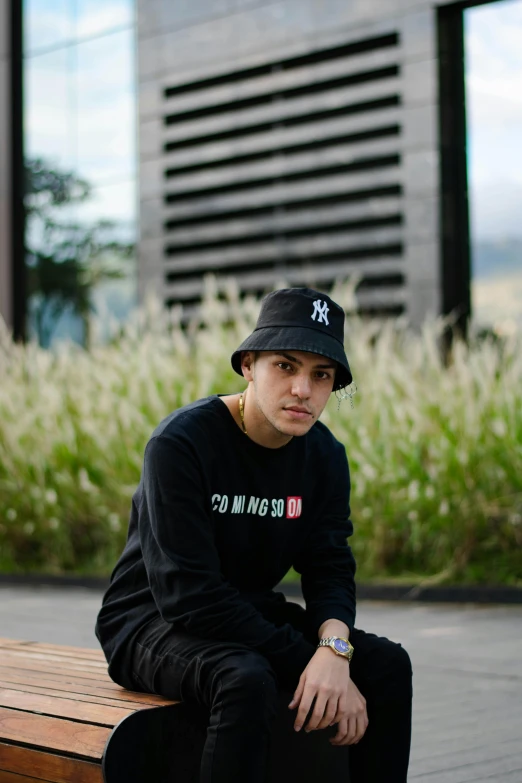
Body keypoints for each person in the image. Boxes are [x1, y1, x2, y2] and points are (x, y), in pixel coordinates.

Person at [95, 287, 412, 783]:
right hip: (151, 618)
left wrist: (335, 650)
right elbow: (189, 596)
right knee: (245, 678)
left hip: (243, 614)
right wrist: (311, 660)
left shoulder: (325, 458)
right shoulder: (181, 444)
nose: (303, 390)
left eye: (321, 375)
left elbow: (329, 565)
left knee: (388, 665)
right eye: (285, 367)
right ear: (248, 365)